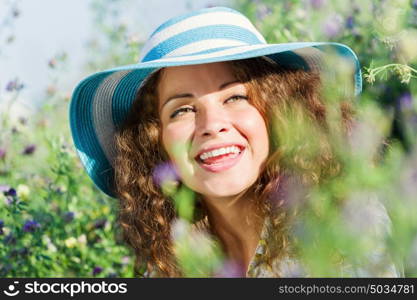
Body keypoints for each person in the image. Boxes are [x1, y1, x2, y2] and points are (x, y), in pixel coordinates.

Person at [69, 6, 399, 277]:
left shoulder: (343, 226)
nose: (212, 125)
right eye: (182, 110)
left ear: (277, 113)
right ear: (155, 141)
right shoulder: (171, 267)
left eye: (235, 98)